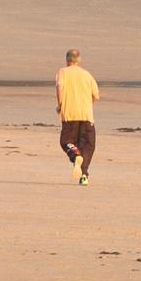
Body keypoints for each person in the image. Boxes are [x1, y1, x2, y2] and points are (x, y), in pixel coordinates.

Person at [56, 47, 99, 185]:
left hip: (70, 114)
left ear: (67, 60)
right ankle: (84, 175)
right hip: (86, 115)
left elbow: (60, 87)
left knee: (66, 141)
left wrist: (60, 104)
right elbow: (96, 95)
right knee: (87, 144)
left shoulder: (63, 72)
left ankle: (75, 156)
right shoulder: (87, 74)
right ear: (79, 60)